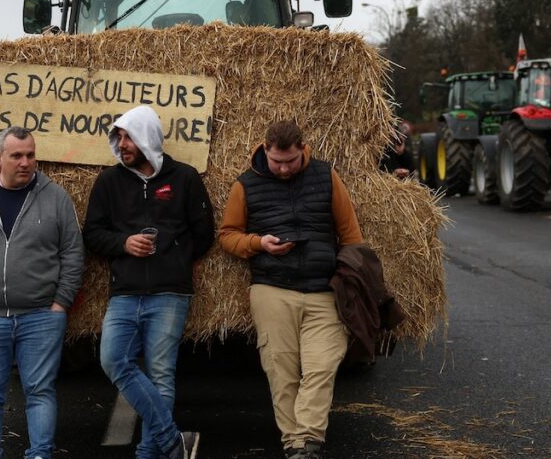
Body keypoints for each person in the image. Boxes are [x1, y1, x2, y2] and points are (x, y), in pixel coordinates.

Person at [217, 120, 364, 459]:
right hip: (272, 288)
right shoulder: (246, 185)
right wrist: (258, 243)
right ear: (264, 150)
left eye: (291, 161)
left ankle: (308, 440)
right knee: (280, 367)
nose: (284, 169)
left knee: (322, 365)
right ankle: (296, 446)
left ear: (303, 150)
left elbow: (351, 235)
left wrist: (348, 277)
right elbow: (227, 235)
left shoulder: (326, 176)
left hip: (323, 289)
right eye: (277, 162)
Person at [82, 106, 215, 459]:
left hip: (170, 292)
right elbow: (92, 234)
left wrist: (176, 259)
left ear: (146, 139)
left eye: (128, 137)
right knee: (113, 361)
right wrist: (123, 244)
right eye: (119, 137)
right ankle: (173, 442)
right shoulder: (109, 182)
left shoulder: (184, 178)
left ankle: (149, 454)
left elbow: (205, 233)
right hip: (124, 292)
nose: (122, 144)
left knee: (160, 373)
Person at [0, 126, 84, 459]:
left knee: (39, 391)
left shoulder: (55, 198)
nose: (25, 162)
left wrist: (61, 303)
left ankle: (39, 454)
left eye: (31, 155)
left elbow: (73, 253)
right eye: (17, 155)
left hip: (40, 317)